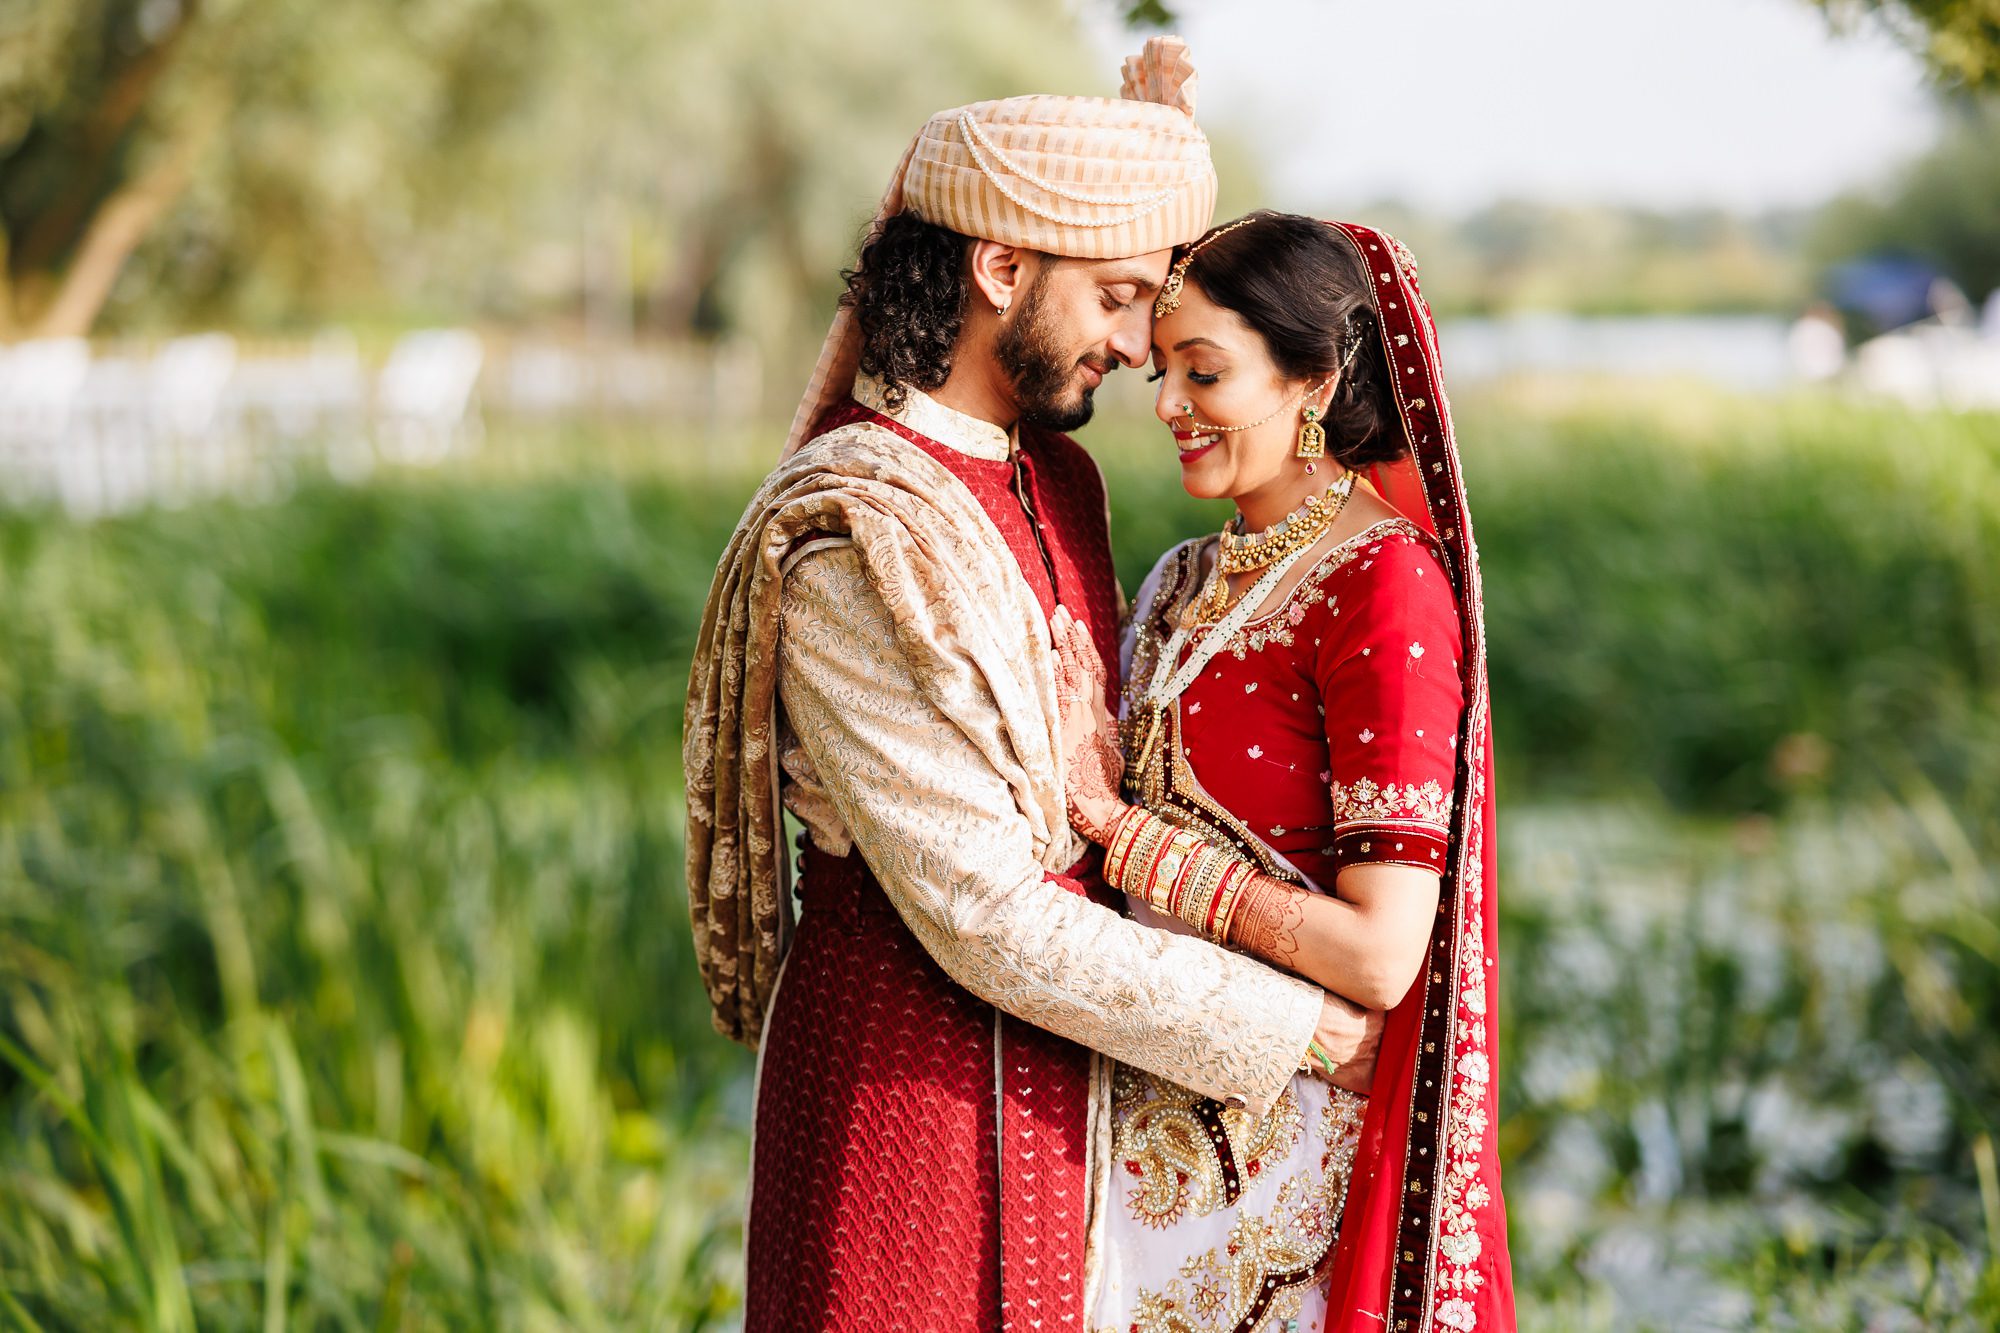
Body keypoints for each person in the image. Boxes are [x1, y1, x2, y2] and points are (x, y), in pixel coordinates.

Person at [682, 43, 1381, 1331]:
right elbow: (985, 911)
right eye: (1116, 297)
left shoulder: (1058, 478)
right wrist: (1302, 1026)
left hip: (1079, 1103)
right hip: (904, 1118)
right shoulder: (855, 529)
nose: (1134, 347)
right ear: (998, 266)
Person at [1051, 212, 1516, 1331]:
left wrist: (1122, 832)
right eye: (1161, 370)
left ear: (1314, 376)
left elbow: (1380, 950)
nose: (1164, 404)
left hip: (1285, 1181)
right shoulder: (1176, 581)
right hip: (1129, 1142)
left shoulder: (1383, 589)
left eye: (1202, 372)